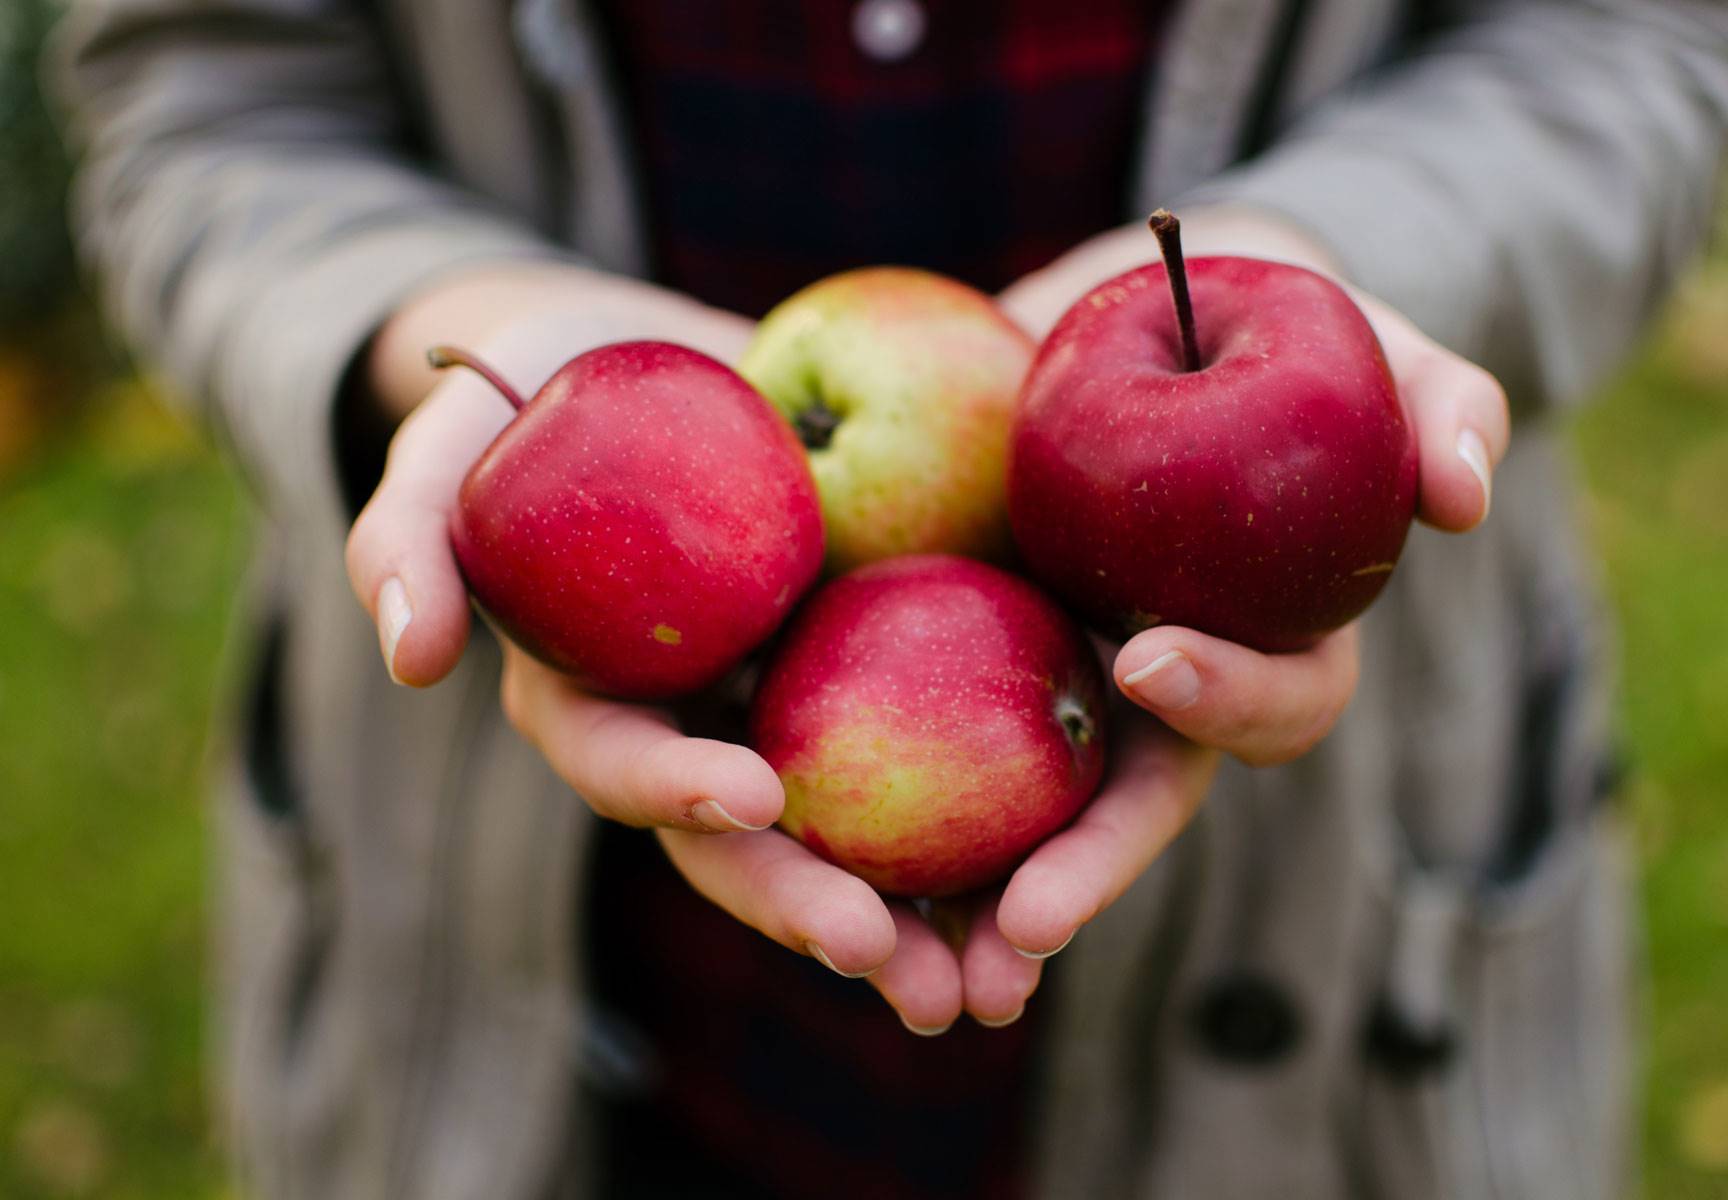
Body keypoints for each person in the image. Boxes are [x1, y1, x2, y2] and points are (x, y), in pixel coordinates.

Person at [53, 1, 1728, 1197]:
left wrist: (1310, 257)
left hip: (1327, 947)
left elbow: (1636, 40)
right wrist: (426, 318)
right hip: (546, 971)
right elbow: (202, 91)